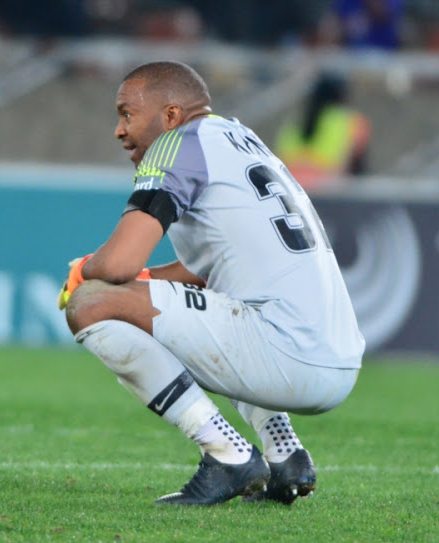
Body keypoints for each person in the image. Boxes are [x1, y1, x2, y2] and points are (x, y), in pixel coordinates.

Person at [58, 61, 365, 506]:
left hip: (286, 352)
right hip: (338, 358)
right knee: (213, 302)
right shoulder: (240, 138)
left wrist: (85, 271)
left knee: (89, 304)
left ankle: (227, 454)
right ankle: (285, 453)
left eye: (126, 114)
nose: (119, 131)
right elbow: (204, 271)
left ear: (170, 116)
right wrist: (126, 283)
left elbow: (121, 263)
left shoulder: (176, 145)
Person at [275, 72, 371, 192]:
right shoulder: (351, 121)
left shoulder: (295, 121)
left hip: (290, 189)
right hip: (328, 191)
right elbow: (359, 169)